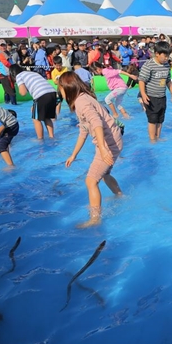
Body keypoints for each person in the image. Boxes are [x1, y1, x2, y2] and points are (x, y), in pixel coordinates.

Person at [61, 72, 123, 228]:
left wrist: (102, 148)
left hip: (108, 143)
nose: (59, 92)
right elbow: (84, 130)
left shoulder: (81, 102)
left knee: (90, 180)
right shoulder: (83, 98)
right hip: (113, 140)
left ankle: (95, 219)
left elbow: (96, 123)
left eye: (59, 88)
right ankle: (120, 196)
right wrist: (74, 154)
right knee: (104, 174)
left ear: (67, 88)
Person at [138, 41, 172, 142]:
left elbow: (168, 80)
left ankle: (158, 137)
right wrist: (143, 94)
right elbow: (141, 80)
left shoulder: (167, 65)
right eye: (164, 56)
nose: (166, 58)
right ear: (157, 54)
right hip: (151, 97)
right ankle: (152, 140)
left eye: (168, 56)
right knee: (152, 120)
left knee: (160, 119)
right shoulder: (149, 65)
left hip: (162, 97)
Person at [10, 64, 57, 139]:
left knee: (36, 119)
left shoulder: (19, 76)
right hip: (52, 93)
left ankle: (40, 139)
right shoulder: (33, 73)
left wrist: (18, 87)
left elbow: (23, 93)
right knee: (47, 117)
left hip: (41, 95)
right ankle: (52, 137)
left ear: (12, 74)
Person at [0, 39, 17, 105]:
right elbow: (6, 63)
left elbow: (11, 62)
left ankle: (7, 103)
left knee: (7, 91)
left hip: (9, 74)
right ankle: (14, 104)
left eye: (4, 45)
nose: (3, 47)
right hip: (4, 75)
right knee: (11, 91)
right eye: (1, 45)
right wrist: (15, 68)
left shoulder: (7, 52)